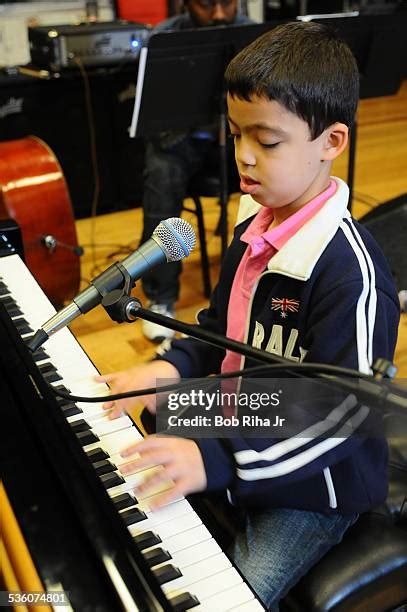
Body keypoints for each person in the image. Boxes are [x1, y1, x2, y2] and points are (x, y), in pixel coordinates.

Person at [98, 22, 400, 610]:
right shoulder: (255, 222)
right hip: (241, 418)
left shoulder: (350, 274)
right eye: (237, 134)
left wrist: (214, 459)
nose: (242, 156)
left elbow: (339, 414)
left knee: (229, 594)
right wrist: (171, 373)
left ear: (331, 141)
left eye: (267, 140)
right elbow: (217, 328)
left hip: (315, 484)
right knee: (124, 475)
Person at [141, 0, 253, 343]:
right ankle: (161, 297)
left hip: (240, 139)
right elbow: (154, 114)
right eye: (206, 5)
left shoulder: (255, 35)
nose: (219, 14)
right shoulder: (164, 38)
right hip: (185, 140)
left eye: (227, 3)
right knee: (161, 171)